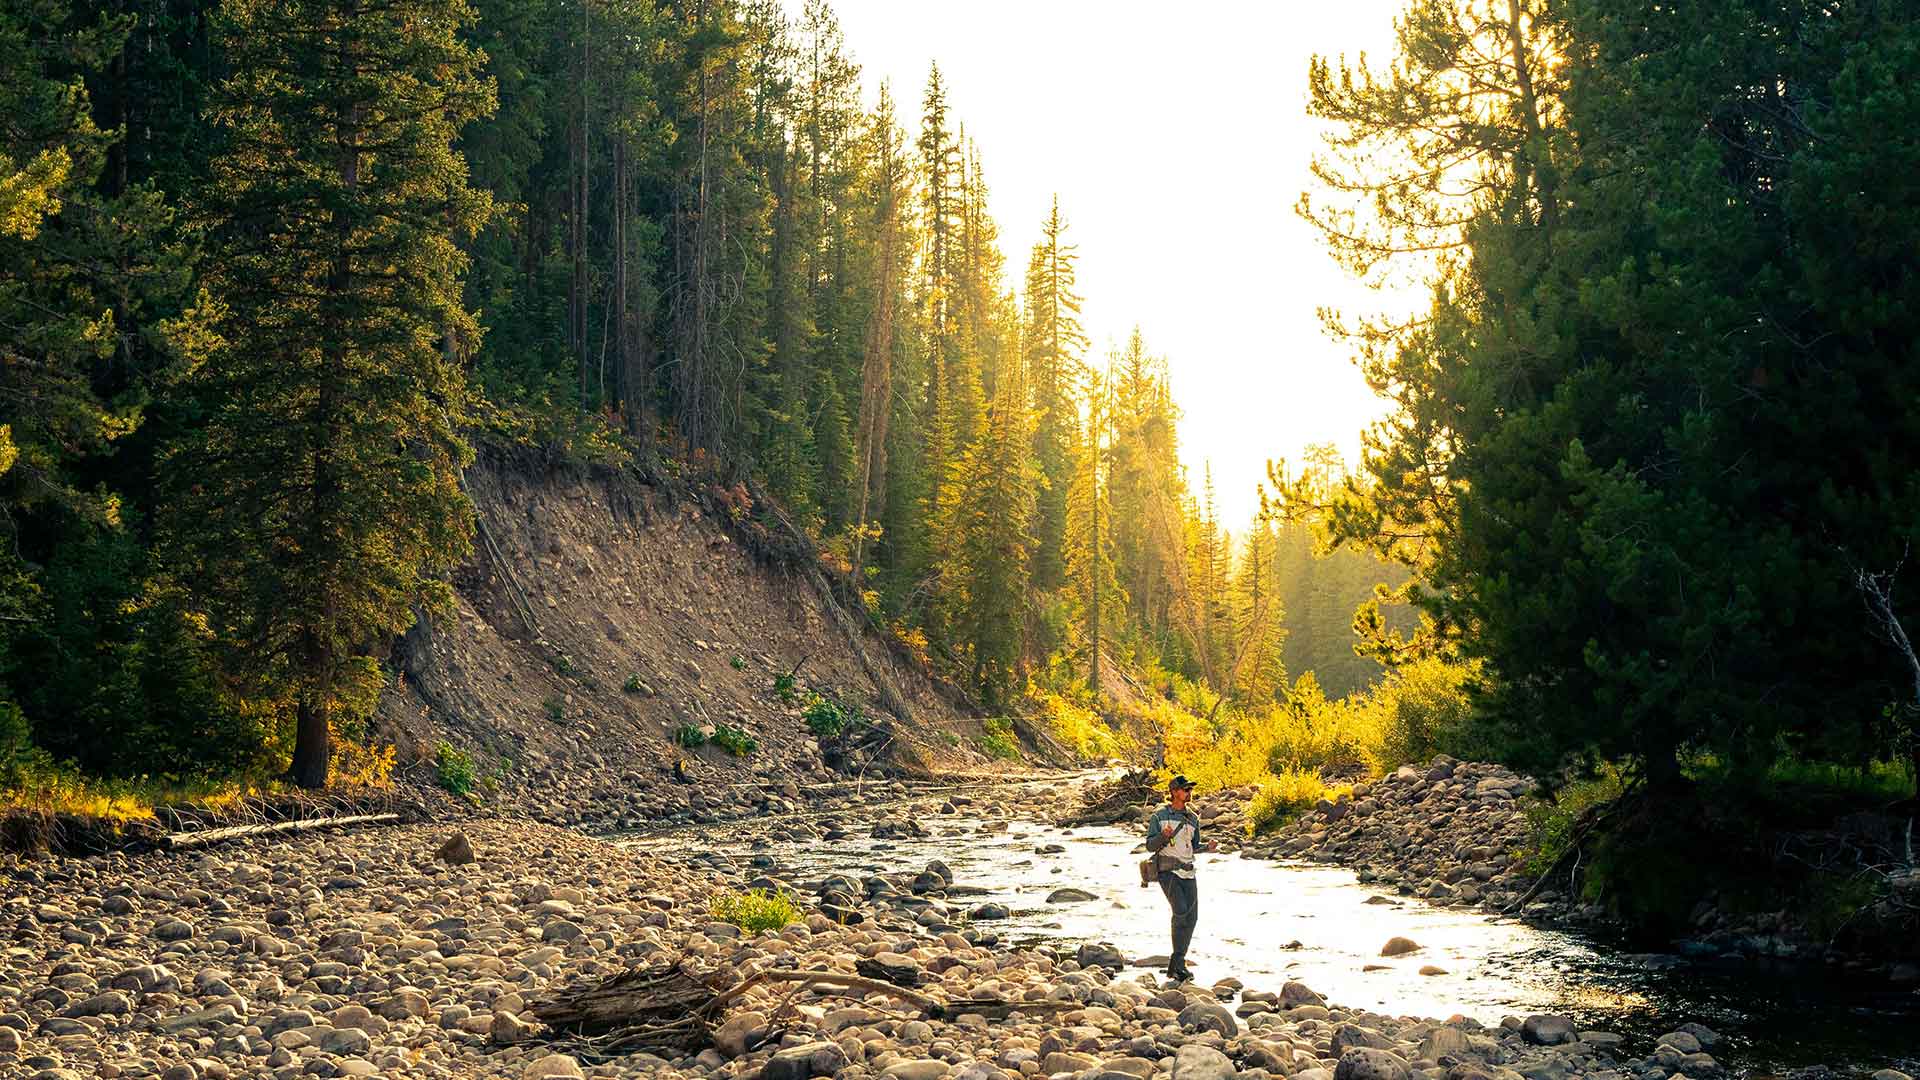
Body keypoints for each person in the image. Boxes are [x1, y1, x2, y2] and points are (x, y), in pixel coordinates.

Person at [1144, 774, 1215, 982]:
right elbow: (1150, 845)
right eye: (1185, 789)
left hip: (1189, 872)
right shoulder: (1159, 816)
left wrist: (1207, 848)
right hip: (1168, 871)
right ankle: (1177, 964)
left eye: (1190, 789)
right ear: (1174, 792)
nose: (1189, 793)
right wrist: (1163, 836)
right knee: (1181, 912)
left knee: (1191, 918)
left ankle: (1177, 963)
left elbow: (1193, 847)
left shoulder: (1193, 818)